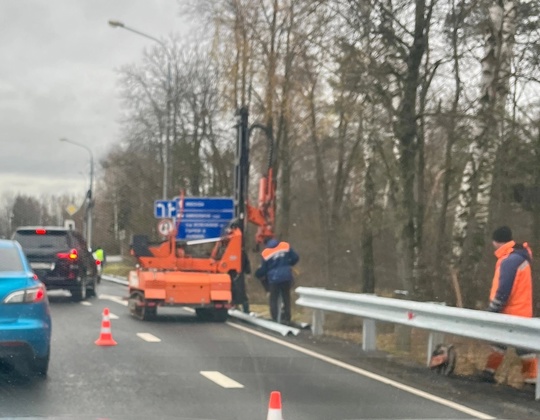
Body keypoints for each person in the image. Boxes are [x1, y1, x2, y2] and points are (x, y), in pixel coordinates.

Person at [478, 226, 536, 385]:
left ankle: (532, 380)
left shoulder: (509, 260)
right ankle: (530, 381)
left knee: (521, 348)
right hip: (522, 310)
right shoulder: (519, 256)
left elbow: (504, 289)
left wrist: (493, 308)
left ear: (496, 242)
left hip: (511, 311)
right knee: (507, 345)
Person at [255, 237, 299, 323]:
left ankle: (275, 318)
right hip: (286, 276)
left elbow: (264, 269)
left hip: (274, 278)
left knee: (273, 299)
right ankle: (287, 317)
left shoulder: (266, 253)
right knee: (286, 297)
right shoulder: (285, 246)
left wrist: (257, 274)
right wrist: (288, 264)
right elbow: (296, 257)